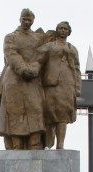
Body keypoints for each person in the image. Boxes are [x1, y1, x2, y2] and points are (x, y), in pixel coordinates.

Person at [0, 8, 48, 150]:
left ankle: (35, 143)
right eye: (24, 19)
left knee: (36, 109)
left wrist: (35, 67)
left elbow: (42, 55)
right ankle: (16, 144)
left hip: (33, 79)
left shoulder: (38, 38)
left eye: (29, 19)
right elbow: (11, 53)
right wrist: (23, 69)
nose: (26, 22)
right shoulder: (11, 37)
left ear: (33, 21)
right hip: (14, 79)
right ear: (20, 19)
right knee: (14, 110)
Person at [38, 20, 81, 149]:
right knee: (49, 113)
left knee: (63, 114)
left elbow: (77, 68)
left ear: (69, 32)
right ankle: (47, 144)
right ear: (57, 30)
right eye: (61, 28)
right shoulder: (49, 46)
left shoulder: (73, 49)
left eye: (65, 29)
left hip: (67, 84)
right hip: (51, 84)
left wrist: (77, 86)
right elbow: (36, 57)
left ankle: (60, 144)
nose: (63, 31)